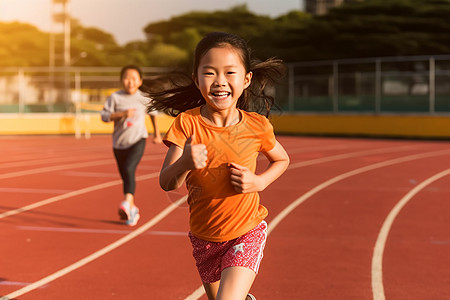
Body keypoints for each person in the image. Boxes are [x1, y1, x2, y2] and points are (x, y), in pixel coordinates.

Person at [146, 32, 290, 300]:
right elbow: (167, 181)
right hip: (204, 237)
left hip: (246, 230)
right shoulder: (186, 125)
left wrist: (259, 182)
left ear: (246, 79)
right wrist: (185, 163)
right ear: (196, 78)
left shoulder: (257, 126)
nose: (220, 82)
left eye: (230, 73)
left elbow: (282, 159)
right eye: (210, 73)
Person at [101, 65, 162, 226]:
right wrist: (122, 114)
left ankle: (126, 202)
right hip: (119, 143)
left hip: (138, 140)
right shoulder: (115, 97)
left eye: (134, 79)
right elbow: (105, 117)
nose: (130, 82)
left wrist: (156, 134)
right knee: (126, 176)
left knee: (129, 169)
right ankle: (132, 208)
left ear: (140, 81)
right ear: (122, 80)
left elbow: (153, 115)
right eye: (127, 78)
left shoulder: (144, 97)